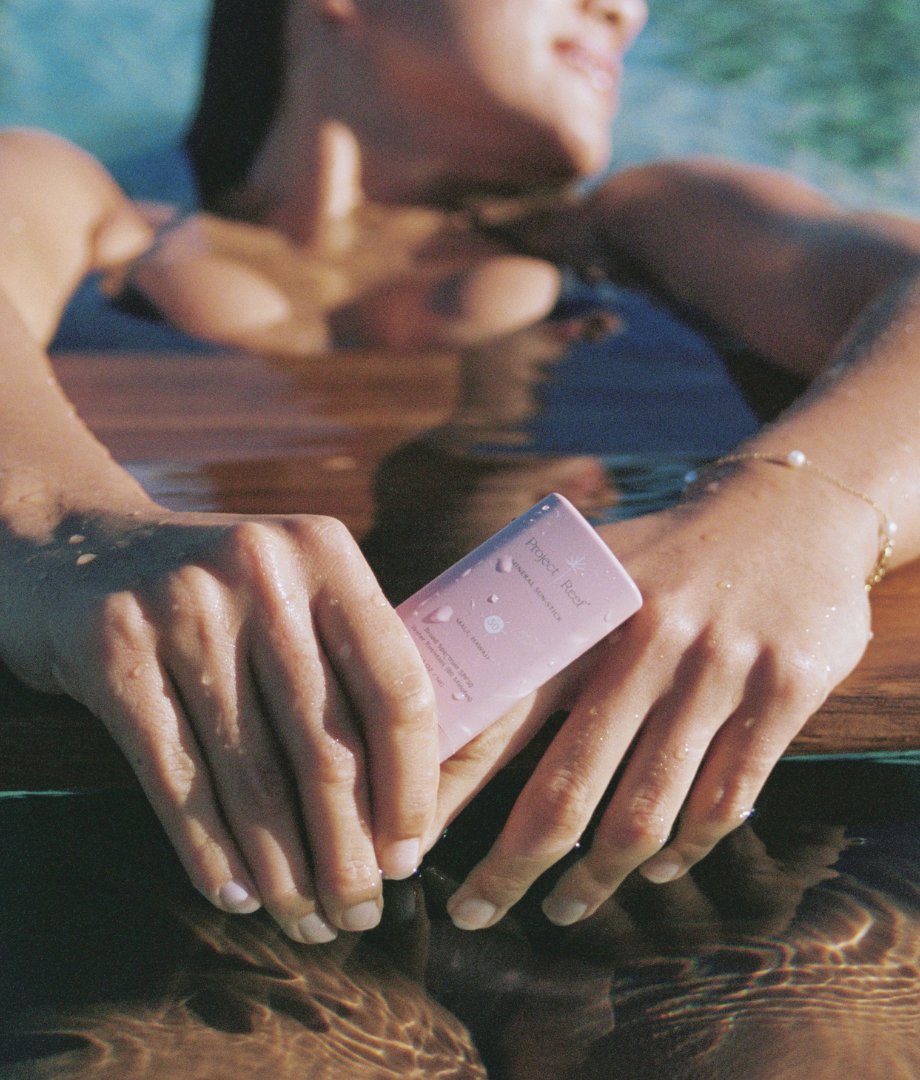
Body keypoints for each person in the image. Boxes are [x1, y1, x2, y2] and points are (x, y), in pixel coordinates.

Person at [3, 0, 920, 947]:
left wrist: (802, 509)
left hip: (689, 851)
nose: (626, 11)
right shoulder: (71, 200)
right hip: (201, 875)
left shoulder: (657, 224)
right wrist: (59, 522)